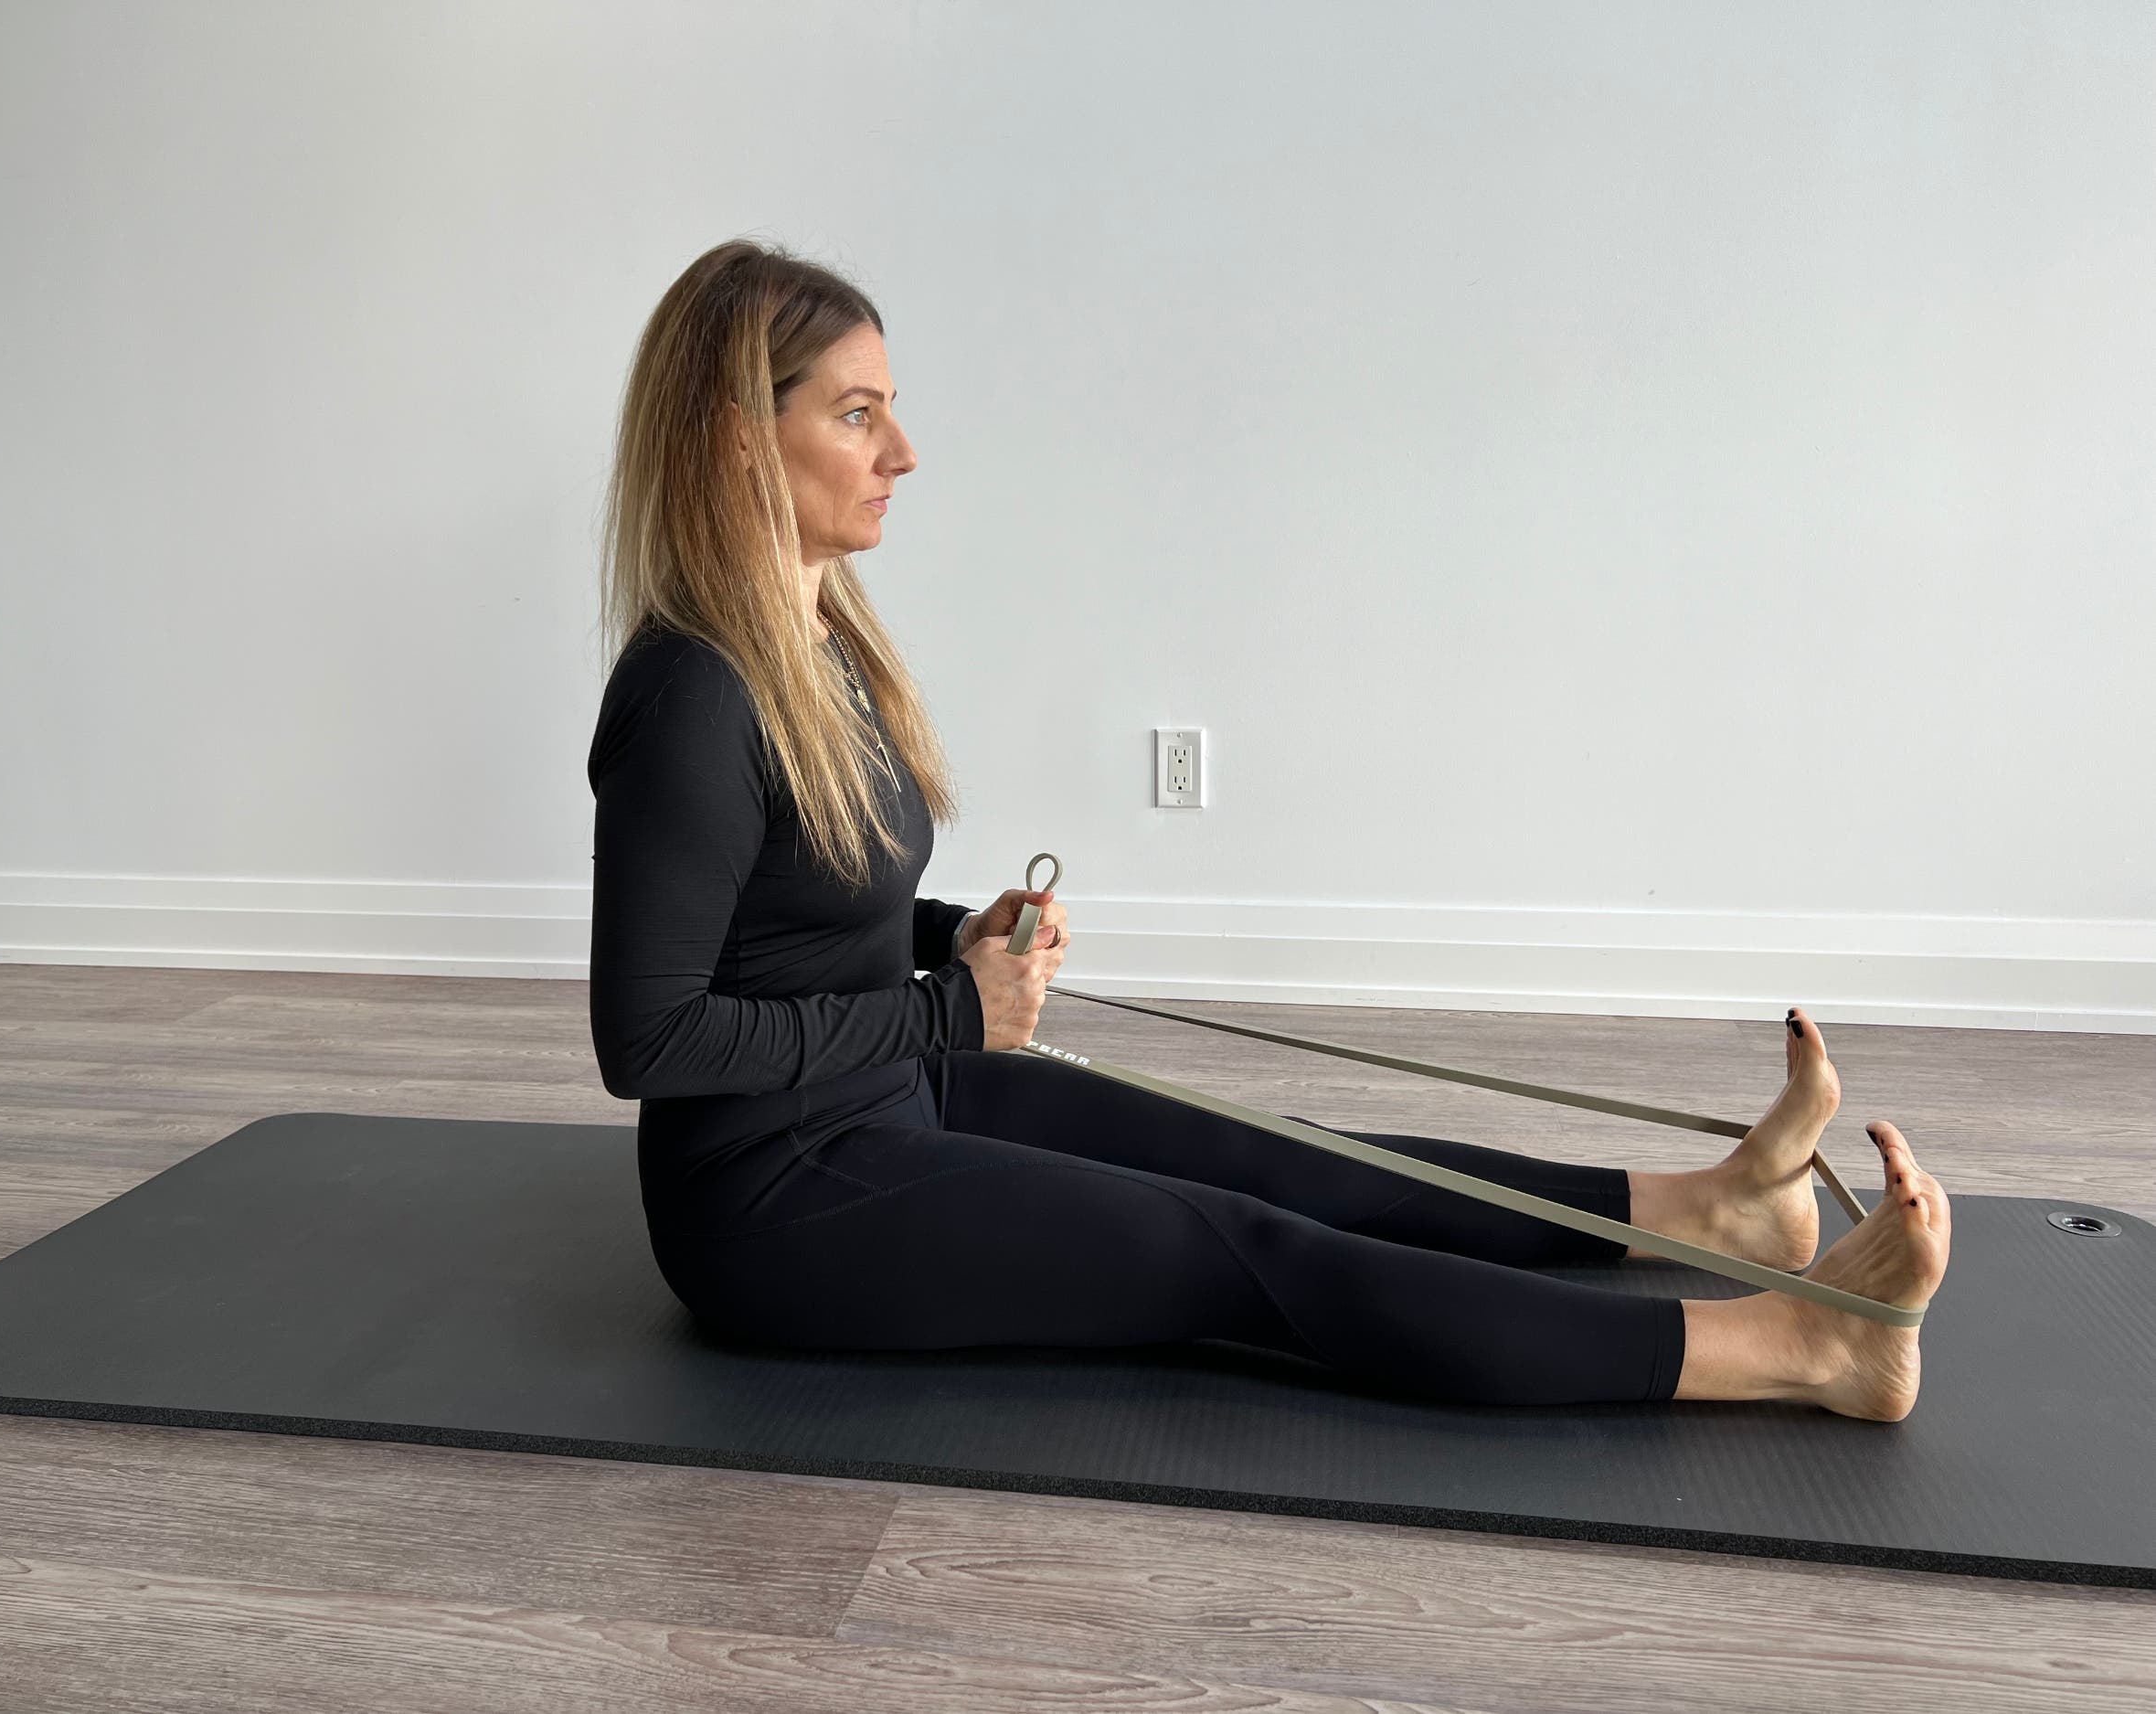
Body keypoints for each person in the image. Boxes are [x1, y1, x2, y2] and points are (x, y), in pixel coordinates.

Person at [588, 239, 1950, 1421]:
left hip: (894, 1089)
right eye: (858, 414)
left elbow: (796, 921)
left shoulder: (818, 640)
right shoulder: (693, 694)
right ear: (735, 436)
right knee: (1244, 1246)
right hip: (775, 1199)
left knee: (1283, 1153)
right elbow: (649, 1040)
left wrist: (960, 940)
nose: (904, 452)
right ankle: (1794, 1346)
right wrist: (952, 1011)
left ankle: (1706, 1210)